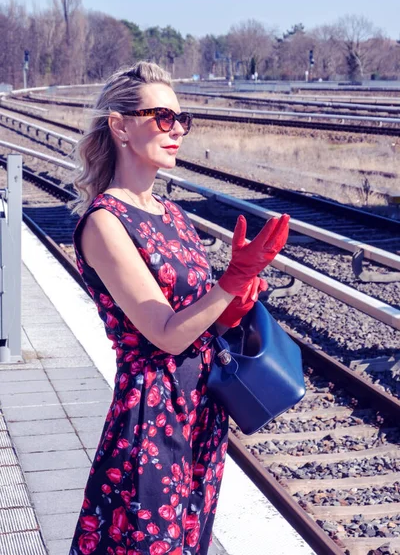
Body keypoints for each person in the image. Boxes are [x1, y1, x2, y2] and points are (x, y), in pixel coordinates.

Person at [68, 61, 290, 555]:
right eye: (162, 117)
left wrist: (233, 303)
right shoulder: (105, 222)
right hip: (151, 413)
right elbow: (165, 333)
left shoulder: (170, 212)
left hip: (201, 410)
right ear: (120, 126)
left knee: (190, 542)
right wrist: (230, 282)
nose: (177, 130)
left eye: (181, 119)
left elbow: (198, 316)